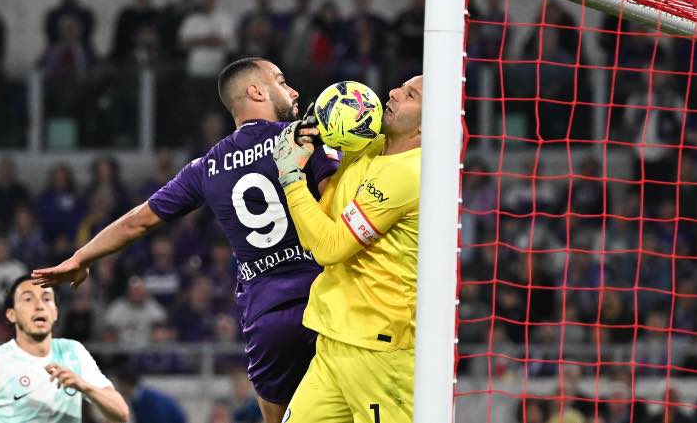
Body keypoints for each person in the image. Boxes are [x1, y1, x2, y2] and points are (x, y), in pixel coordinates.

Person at [31, 57, 339, 423]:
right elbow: (338, 206)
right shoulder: (303, 137)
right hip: (325, 298)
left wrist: (81, 257)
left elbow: (138, 222)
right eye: (282, 80)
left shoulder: (208, 166)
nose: (294, 90)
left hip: (267, 316)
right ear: (256, 90)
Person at [272, 75, 423, 422]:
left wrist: (291, 178)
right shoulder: (370, 147)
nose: (394, 92)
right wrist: (316, 138)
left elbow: (329, 247)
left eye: (411, 94)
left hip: (380, 351)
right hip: (334, 338)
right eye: (401, 86)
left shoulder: (409, 174)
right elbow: (320, 226)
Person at [0, 275, 129, 422]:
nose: (39, 306)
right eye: (28, 299)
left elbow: (121, 413)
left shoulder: (73, 352)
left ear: (55, 313)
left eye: (46, 299)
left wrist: (83, 385)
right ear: (12, 315)